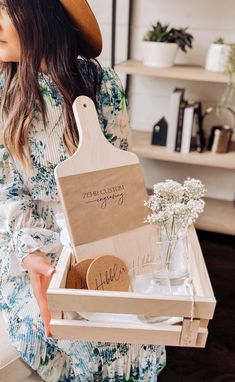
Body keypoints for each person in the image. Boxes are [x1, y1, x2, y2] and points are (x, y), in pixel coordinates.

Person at [0, 1, 166, 381]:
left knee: (130, 323)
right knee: (69, 327)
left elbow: (116, 178)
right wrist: (33, 257)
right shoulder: (2, 89)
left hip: (95, 230)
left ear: (40, 13)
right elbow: (6, 192)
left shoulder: (101, 83)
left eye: (4, 8)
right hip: (23, 241)